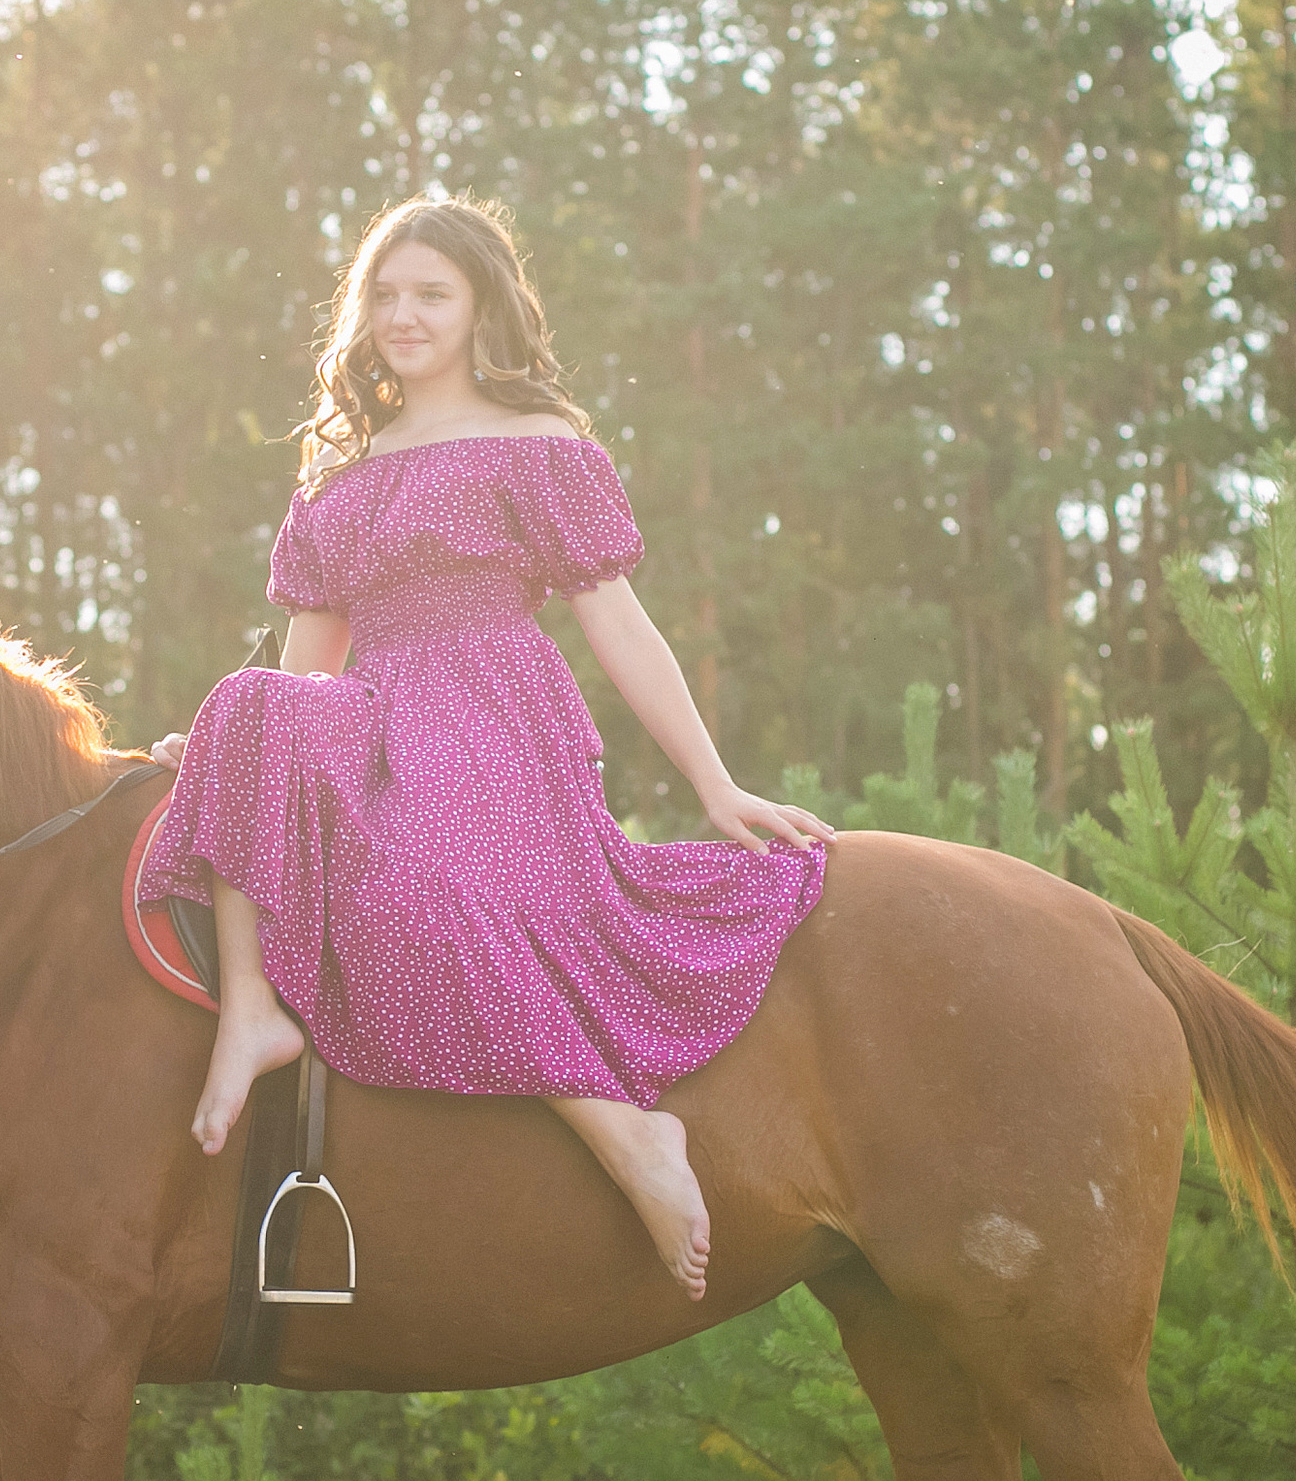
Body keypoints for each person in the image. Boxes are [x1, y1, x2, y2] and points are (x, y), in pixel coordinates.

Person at [138, 194, 828, 1299]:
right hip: (374, 719)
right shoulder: (339, 471)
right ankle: (253, 1010)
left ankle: (626, 1133)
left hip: (493, 717)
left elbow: (620, 626)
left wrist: (715, 782)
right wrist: (242, 746)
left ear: (479, 308)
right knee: (245, 699)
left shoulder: (535, 445)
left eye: (432, 294)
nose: (403, 316)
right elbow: (307, 664)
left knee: (427, 883)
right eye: (385, 294)